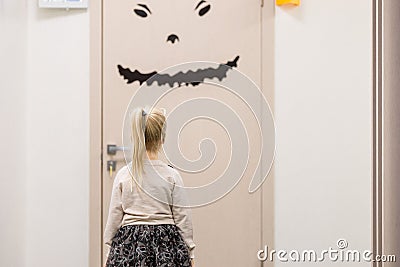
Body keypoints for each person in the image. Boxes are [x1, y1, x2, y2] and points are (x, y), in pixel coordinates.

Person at [104, 107, 195, 267]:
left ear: (135, 138)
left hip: (129, 248)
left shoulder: (124, 175)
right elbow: (183, 218)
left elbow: (114, 218)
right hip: (167, 246)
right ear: (162, 139)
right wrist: (190, 254)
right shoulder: (171, 175)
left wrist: (109, 254)